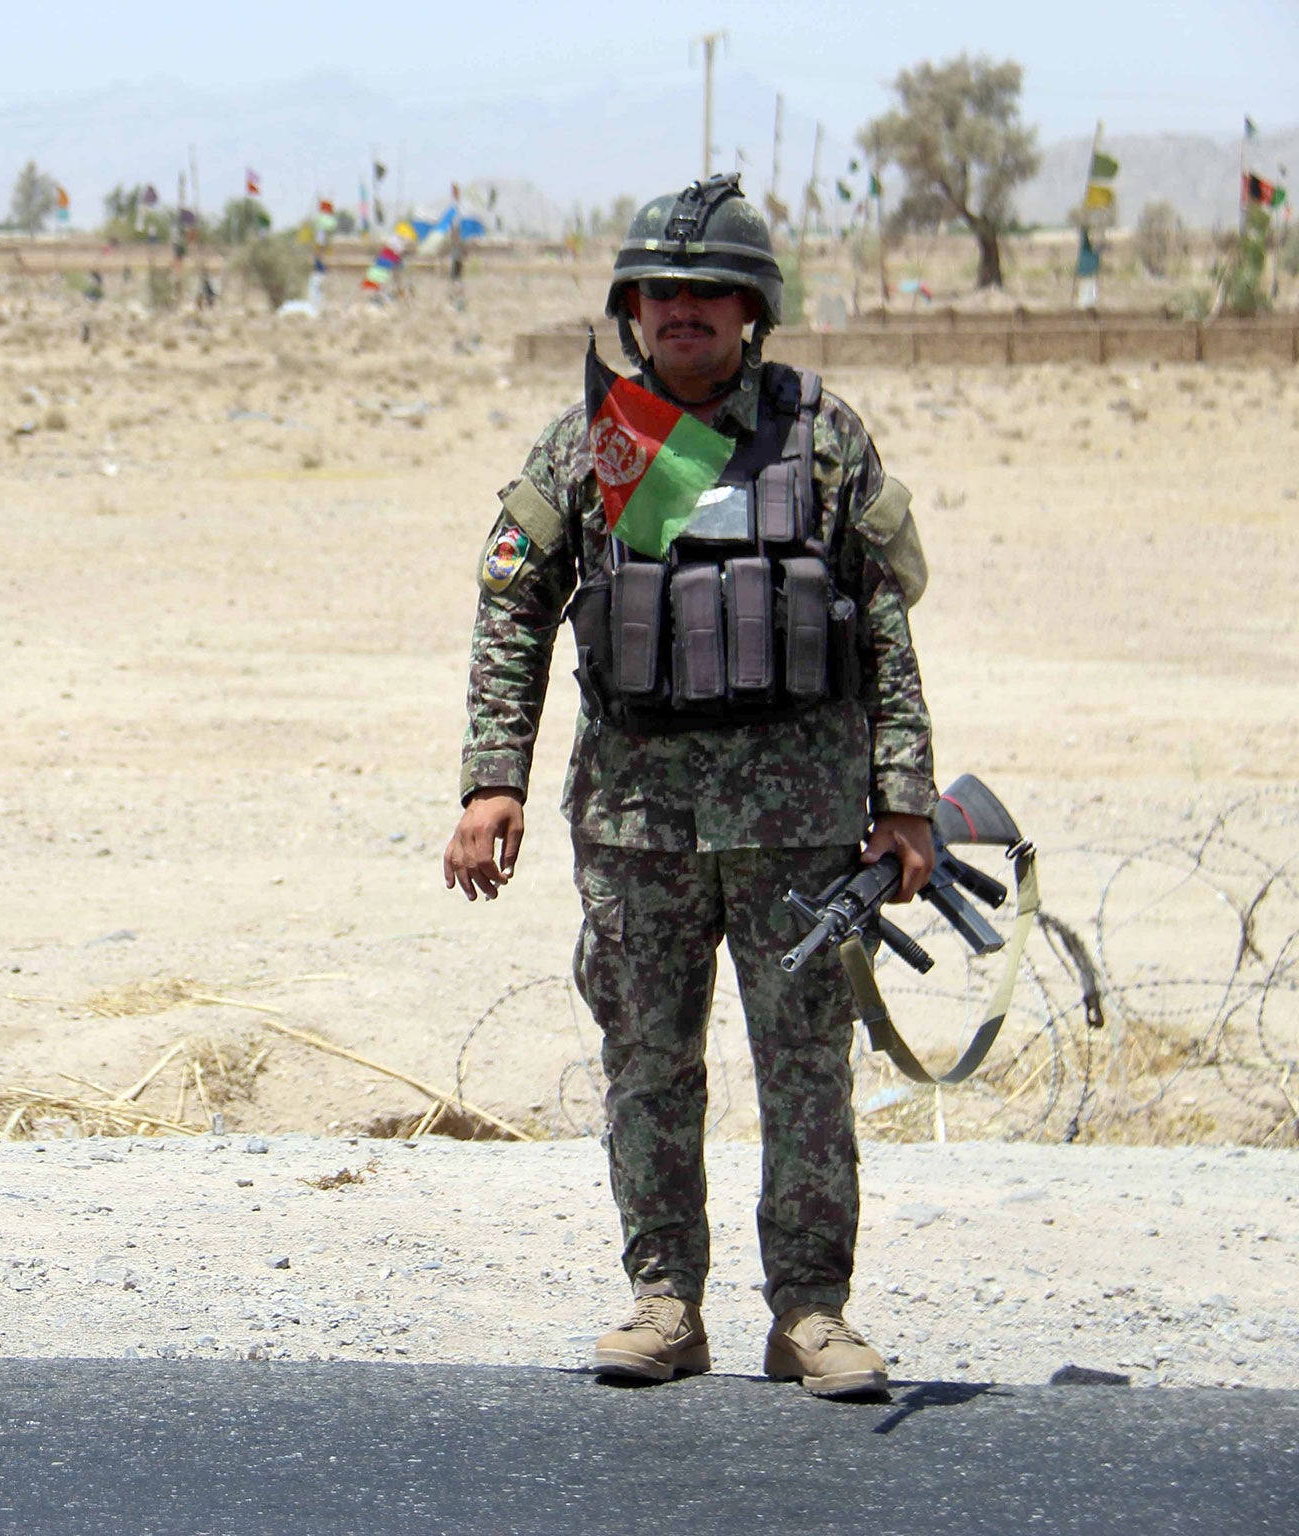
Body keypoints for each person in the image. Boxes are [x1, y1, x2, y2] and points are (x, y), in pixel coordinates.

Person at [441, 174, 935, 1400]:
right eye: (663, 293)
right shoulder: (595, 448)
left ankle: (810, 1314)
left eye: (712, 294)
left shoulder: (819, 437)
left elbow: (882, 623)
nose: (686, 313)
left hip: (800, 827)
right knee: (648, 1066)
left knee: (805, 1069)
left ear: (751, 311)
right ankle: (664, 1302)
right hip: (636, 825)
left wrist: (904, 794)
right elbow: (513, 611)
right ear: (631, 308)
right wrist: (489, 781)